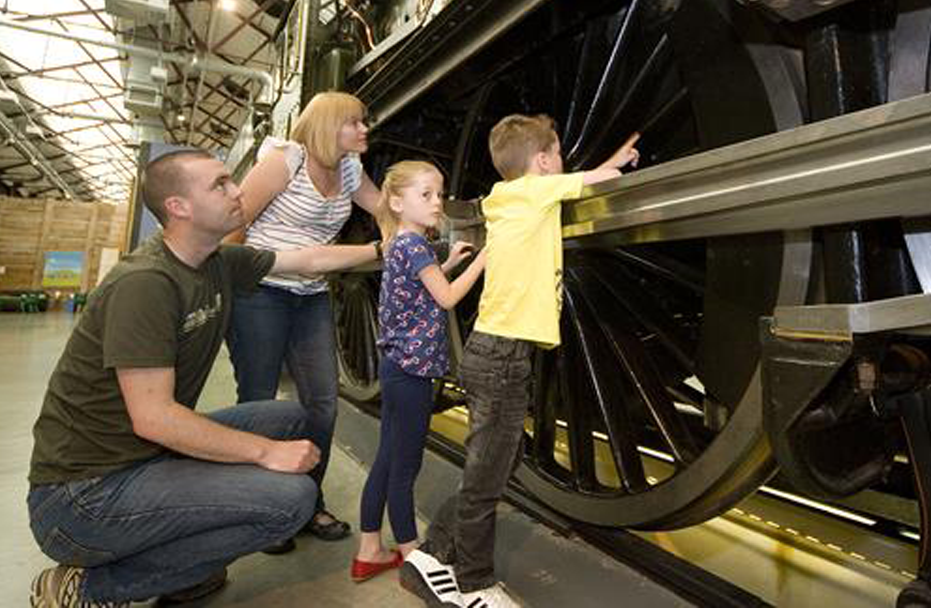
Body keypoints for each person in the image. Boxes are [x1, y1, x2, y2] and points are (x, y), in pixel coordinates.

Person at [27, 149, 380, 607]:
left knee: (294, 417)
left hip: (145, 460)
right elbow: (154, 419)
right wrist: (264, 452)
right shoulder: (146, 283)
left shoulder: (216, 262)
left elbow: (308, 261)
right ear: (179, 207)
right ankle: (90, 587)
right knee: (291, 500)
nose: (238, 191)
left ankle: (174, 572)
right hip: (83, 495)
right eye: (220, 184)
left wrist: (386, 249)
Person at [400, 116, 639, 608]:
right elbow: (595, 181)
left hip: (496, 353)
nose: (561, 165)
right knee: (487, 480)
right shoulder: (534, 193)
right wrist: (612, 165)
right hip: (502, 356)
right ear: (545, 161)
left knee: (492, 469)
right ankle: (473, 585)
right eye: (556, 156)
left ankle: (430, 556)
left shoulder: (504, 199)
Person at [225, 91, 382, 546]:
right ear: (329, 125)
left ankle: (306, 503)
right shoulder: (285, 160)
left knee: (322, 402)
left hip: (310, 294)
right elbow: (237, 224)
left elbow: (384, 208)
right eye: (355, 122)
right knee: (257, 400)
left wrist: (423, 216)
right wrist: (231, 285)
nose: (364, 129)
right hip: (261, 291)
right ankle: (263, 510)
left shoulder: (351, 169)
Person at [353, 160, 487, 583]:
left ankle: (369, 549)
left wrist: (448, 263)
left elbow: (422, 288)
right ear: (396, 201)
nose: (437, 203)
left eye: (439, 193)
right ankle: (413, 555)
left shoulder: (399, 243)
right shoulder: (416, 247)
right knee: (405, 468)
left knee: (386, 459)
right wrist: (484, 259)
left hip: (397, 367)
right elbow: (445, 300)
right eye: (425, 195)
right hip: (412, 374)